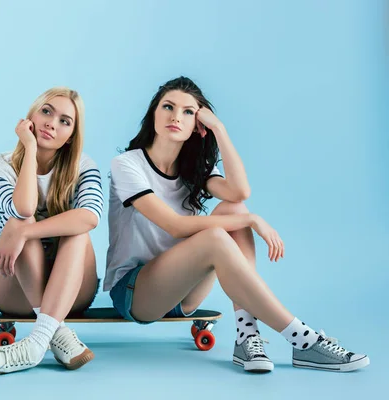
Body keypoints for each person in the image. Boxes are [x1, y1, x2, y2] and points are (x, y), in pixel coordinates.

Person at [104, 76, 369, 373]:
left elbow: (240, 192)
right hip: (135, 292)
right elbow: (175, 226)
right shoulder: (128, 164)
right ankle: (303, 340)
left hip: (183, 292)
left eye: (189, 112)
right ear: (153, 113)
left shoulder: (195, 168)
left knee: (233, 207)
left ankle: (246, 335)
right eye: (168, 107)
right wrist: (252, 220)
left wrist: (219, 129)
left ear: (197, 124)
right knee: (221, 232)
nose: (176, 116)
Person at [0, 87, 103, 375]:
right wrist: (31, 150)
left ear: (71, 135)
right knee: (20, 222)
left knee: (77, 230)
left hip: (72, 289)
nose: (51, 123)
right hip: (14, 287)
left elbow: (90, 217)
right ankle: (52, 332)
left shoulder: (84, 166)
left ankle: (35, 344)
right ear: (31, 116)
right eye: (46, 111)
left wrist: (25, 233)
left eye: (65, 121)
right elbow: (22, 209)